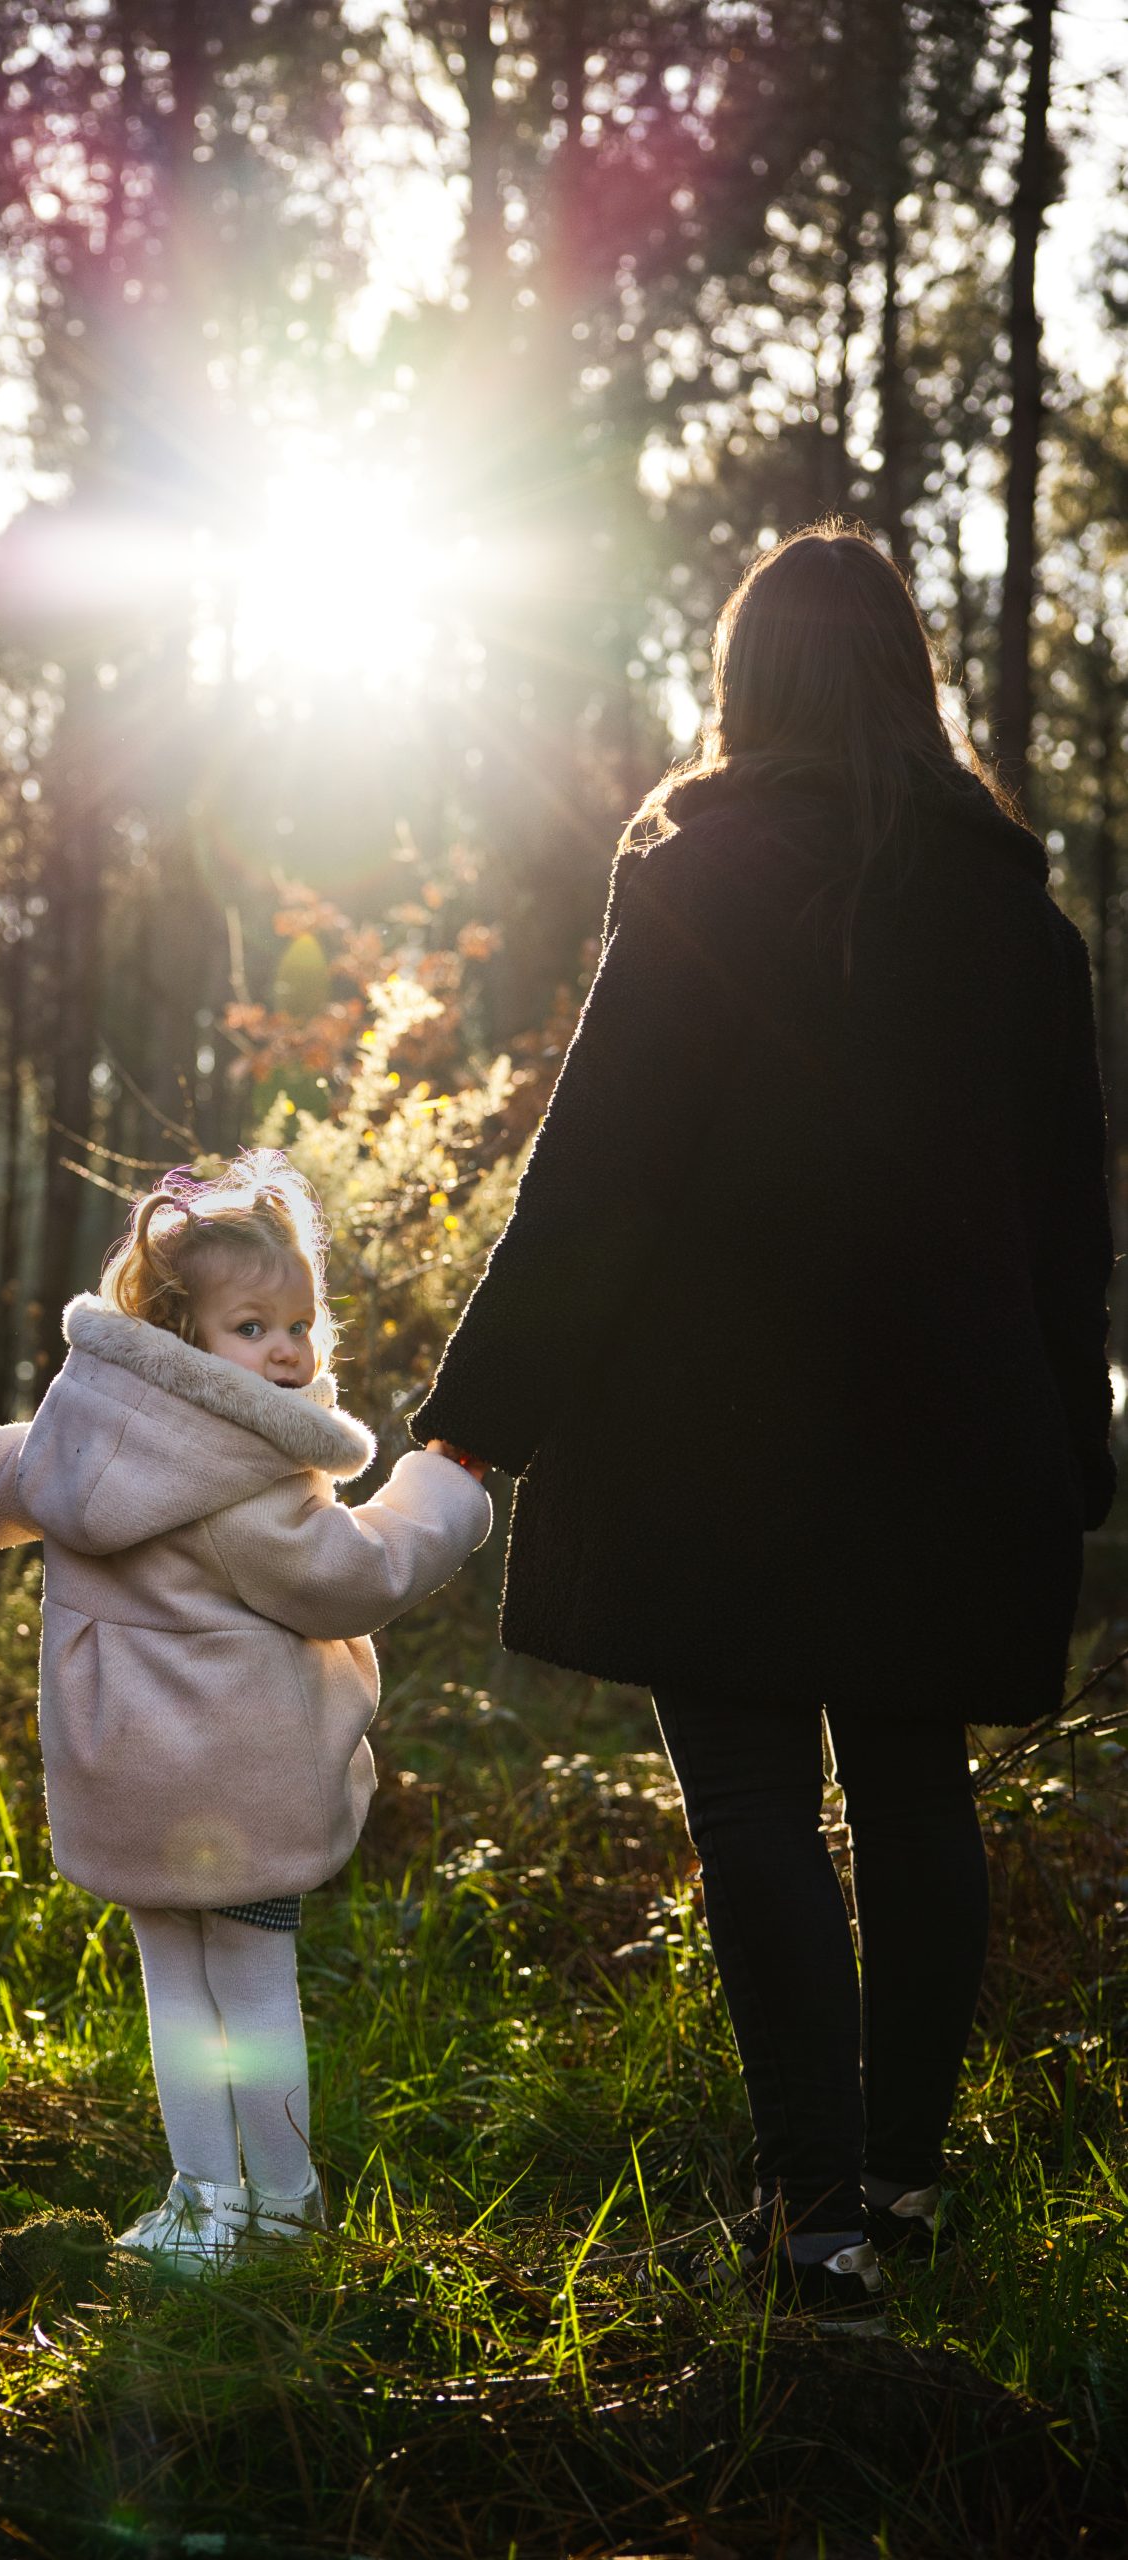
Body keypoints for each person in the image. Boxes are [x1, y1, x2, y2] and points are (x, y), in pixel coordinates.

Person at [416, 522, 1115, 2323]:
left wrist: (468, 1432)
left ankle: (813, 2221)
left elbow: (596, 1181)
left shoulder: (702, 875)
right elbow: (1067, 1221)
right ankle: (900, 2185)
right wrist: (1067, 1460)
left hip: (707, 1438)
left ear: (743, 689)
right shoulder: (1017, 918)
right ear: (909, 682)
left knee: (748, 1797)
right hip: (954, 1439)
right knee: (910, 1793)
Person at [0, 1153, 491, 2271]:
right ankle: (279, 2210)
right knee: (253, 1991)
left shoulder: (68, 1441)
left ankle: (202, 2201)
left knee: (178, 1996)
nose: (284, 1349)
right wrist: (445, 1488)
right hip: (246, 1784)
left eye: (297, 1323)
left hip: (124, 1779)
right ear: (179, 1330)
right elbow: (359, 1574)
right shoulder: (250, 1482)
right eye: (251, 1325)